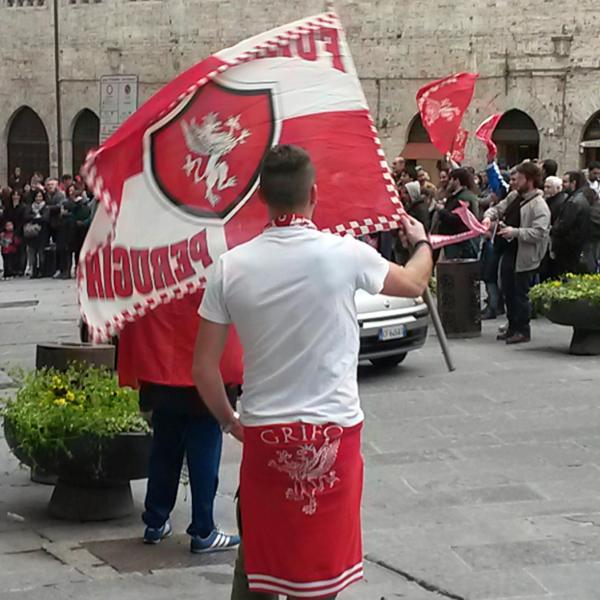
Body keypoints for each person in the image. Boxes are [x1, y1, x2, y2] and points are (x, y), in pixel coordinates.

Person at [192, 145, 433, 600]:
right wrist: (420, 241)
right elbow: (414, 283)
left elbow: (204, 367)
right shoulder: (345, 254)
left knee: (262, 569)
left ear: (260, 196)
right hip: (333, 436)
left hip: (266, 436)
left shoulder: (231, 267)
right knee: (321, 581)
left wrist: (230, 421)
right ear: (314, 193)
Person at [118, 292, 242, 553]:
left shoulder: (158, 264)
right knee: (204, 453)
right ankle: (203, 529)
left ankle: (156, 520)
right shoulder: (214, 263)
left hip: (161, 368)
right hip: (205, 377)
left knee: (164, 450)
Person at [483, 162, 550, 344]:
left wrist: (515, 232)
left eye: (518, 178)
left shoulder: (539, 205)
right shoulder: (514, 196)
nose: (514, 182)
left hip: (525, 256)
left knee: (520, 295)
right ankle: (512, 326)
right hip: (508, 252)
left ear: (529, 180)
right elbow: (498, 208)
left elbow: (539, 233)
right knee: (508, 292)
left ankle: (523, 330)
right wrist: (488, 217)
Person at [551, 171, 592, 275]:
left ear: (573, 183)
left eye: (565, 182)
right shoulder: (579, 198)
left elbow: (563, 226)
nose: (562, 185)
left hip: (568, 248)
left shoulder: (574, 202)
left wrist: (552, 230)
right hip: (573, 247)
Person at [436, 167, 480, 260]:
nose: (449, 182)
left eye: (451, 179)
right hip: (453, 241)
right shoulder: (455, 197)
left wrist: (441, 210)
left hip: (460, 244)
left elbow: (458, 219)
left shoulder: (464, 197)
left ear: (457, 181)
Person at [23, 190, 50, 278]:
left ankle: (42, 271)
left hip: (43, 234)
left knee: (41, 253)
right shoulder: (30, 207)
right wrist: (36, 217)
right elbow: (26, 216)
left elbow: (45, 218)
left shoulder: (45, 207)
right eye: (37, 196)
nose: (38, 198)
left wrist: (35, 218)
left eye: (40, 196)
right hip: (32, 234)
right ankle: (34, 271)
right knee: (32, 253)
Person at [3, 189, 27, 275]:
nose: (15, 197)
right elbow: (4, 218)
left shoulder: (23, 207)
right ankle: (11, 269)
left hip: (19, 231)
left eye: (17, 195)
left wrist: (16, 231)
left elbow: (22, 220)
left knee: (20, 250)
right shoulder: (8, 207)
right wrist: (6, 227)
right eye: (14, 195)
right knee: (9, 250)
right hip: (8, 231)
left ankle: (20, 269)